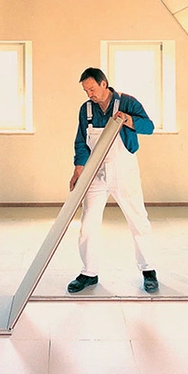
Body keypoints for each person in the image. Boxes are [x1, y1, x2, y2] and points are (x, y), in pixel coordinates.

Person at [67, 67, 159, 294]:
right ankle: (89, 273)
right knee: (88, 223)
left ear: (104, 84)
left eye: (92, 89)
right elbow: (81, 140)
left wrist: (127, 119)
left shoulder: (127, 102)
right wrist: (79, 169)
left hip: (124, 171)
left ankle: (149, 271)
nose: (89, 94)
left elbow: (149, 127)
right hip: (95, 174)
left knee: (138, 219)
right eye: (85, 90)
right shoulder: (86, 109)